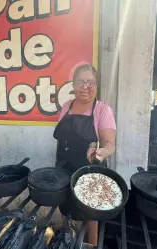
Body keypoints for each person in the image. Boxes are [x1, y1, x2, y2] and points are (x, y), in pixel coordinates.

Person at [53, 64, 116, 246]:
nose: (85, 87)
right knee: (67, 209)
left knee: (91, 215)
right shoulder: (66, 107)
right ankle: (69, 238)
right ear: (73, 85)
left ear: (96, 85)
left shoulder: (102, 110)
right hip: (64, 167)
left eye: (90, 82)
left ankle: (92, 244)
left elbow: (109, 143)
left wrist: (102, 151)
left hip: (90, 171)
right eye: (80, 82)